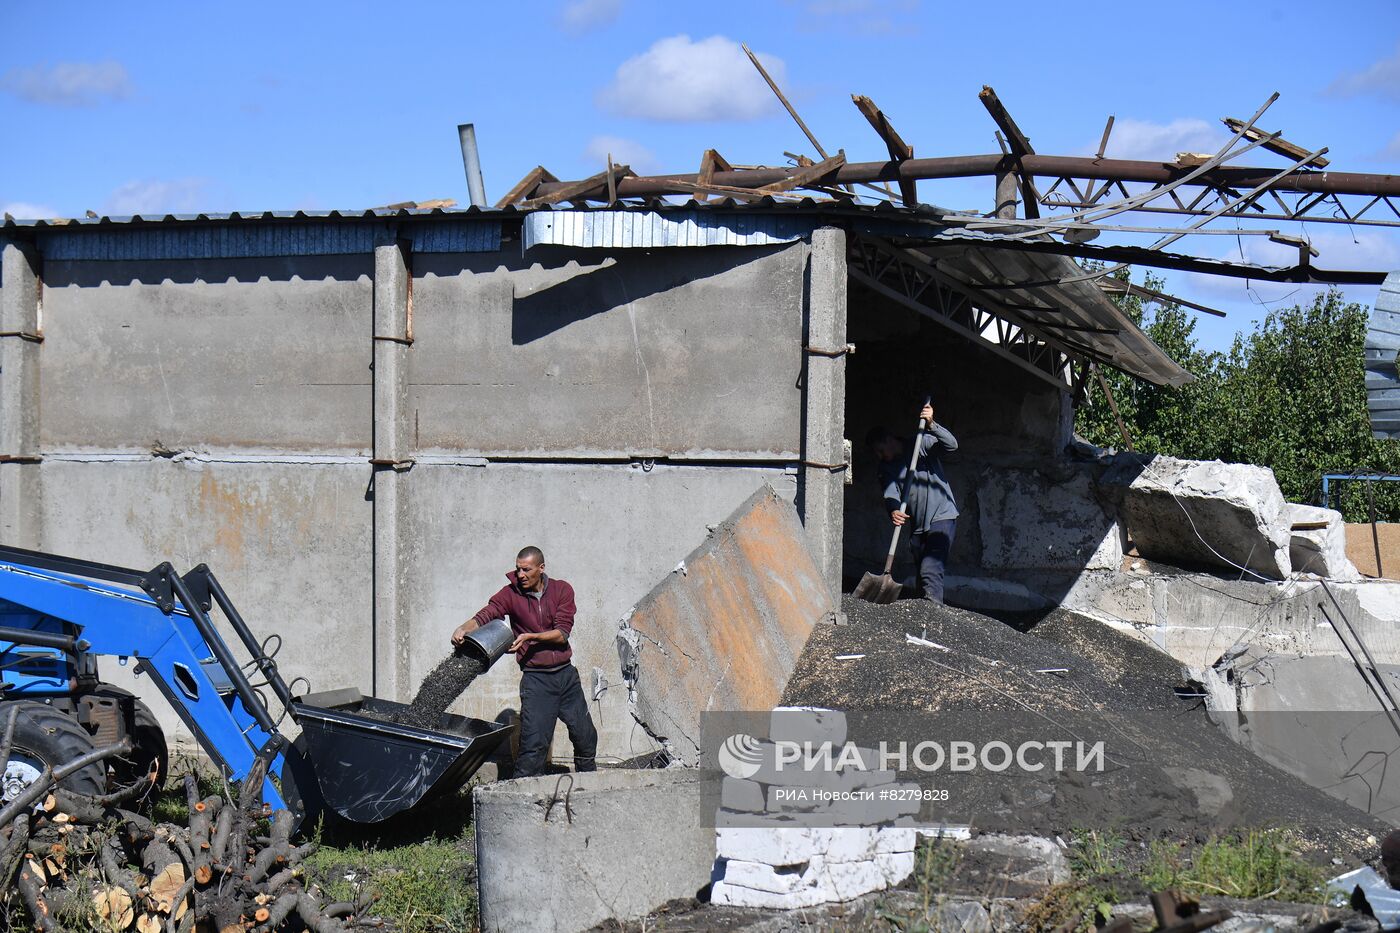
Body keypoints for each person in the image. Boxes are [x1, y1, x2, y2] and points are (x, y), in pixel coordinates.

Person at [452, 546, 597, 777]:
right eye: (518, 569)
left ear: (541, 568)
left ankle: (588, 783)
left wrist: (530, 637)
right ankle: (522, 793)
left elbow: (562, 633)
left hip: (566, 677)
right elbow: (488, 612)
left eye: (526, 570)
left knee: (585, 737)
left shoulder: (562, 590)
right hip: (536, 680)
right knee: (533, 748)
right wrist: (465, 627)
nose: (520, 575)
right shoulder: (511, 594)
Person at [866, 402, 959, 603]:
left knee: (930, 569)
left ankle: (933, 612)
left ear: (890, 440)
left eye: (881, 450)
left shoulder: (920, 444)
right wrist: (893, 510)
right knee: (921, 576)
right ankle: (922, 612)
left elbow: (951, 445)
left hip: (942, 517)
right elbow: (891, 494)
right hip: (918, 526)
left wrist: (932, 424)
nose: (880, 456)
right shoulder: (886, 468)